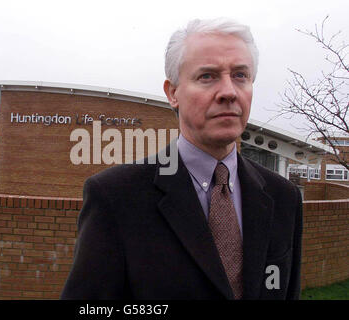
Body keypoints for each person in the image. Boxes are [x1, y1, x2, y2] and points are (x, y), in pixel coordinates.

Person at [61, 18, 303, 300]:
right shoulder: (115, 197)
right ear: (173, 93)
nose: (228, 92)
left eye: (240, 75)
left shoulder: (284, 197)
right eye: (207, 76)